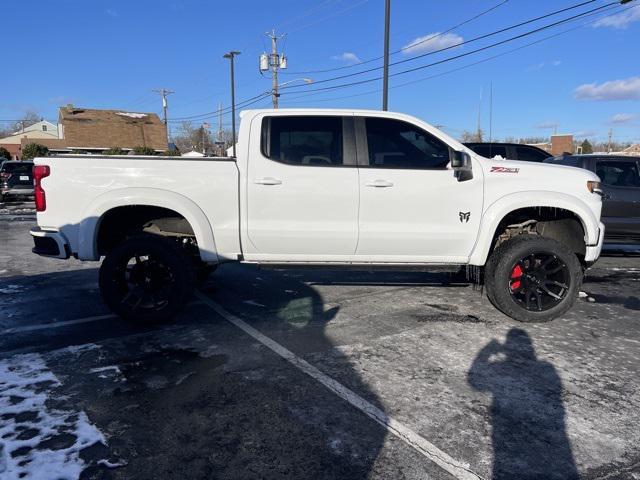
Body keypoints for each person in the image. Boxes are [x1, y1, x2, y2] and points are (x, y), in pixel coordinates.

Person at [468, 328, 579, 479]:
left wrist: (487, 350)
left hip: (510, 445)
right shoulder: (547, 368)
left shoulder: (504, 367)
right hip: (556, 447)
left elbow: (475, 382)